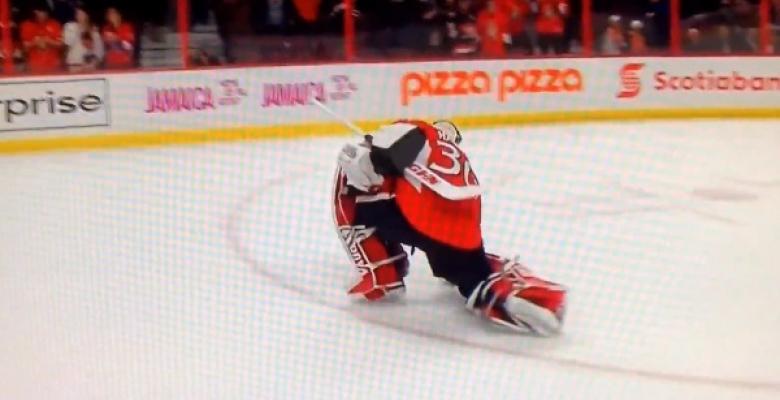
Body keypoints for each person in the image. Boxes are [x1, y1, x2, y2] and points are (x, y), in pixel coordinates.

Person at [332, 119, 566, 336]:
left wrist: (366, 157)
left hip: (427, 219)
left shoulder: (409, 131)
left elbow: (373, 167)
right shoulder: (440, 144)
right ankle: (526, 298)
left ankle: (381, 274)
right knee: (472, 275)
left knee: (348, 186)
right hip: (465, 224)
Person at [20, 3, 63, 73]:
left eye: (43, 12)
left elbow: (61, 45)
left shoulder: (55, 24)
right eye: (38, 11)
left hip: (53, 66)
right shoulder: (26, 25)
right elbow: (24, 48)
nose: (41, 14)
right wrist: (34, 43)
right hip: (34, 66)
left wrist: (49, 41)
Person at [63, 5, 104, 72]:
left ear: (87, 15)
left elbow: (100, 51)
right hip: (73, 66)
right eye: (77, 13)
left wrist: (94, 64)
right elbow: (68, 43)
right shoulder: (70, 27)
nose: (79, 16)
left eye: (82, 14)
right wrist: (79, 29)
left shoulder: (94, 31)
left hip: (90, 67)